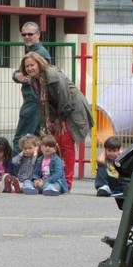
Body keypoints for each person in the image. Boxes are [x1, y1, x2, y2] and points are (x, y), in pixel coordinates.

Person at [21, 51, 91, 184]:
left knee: (66, 145)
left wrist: (61, 119)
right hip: (58, 114)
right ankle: (55, 178)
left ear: (39, 63)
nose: (29, 68)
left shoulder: (52, 75)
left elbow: (65, 98)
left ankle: (67, 182)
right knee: (54, 144)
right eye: (27, 66)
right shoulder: (36, 80)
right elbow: (45, 103)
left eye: (32, 65)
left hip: (71, 112)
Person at [12, 21, 52, 145]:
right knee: (35, 140)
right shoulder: (32, 51)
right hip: (34, 101)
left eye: (30, 34)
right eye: (24, 34)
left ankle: (19, 164)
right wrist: (16, 75)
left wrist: (22, 76)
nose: (27, 37)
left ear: (38, 34)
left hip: (34, 102)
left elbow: (41, 77)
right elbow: (20, 73)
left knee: (21, 140)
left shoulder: (39, 53)